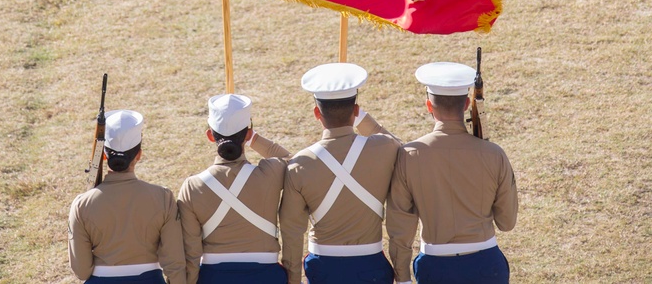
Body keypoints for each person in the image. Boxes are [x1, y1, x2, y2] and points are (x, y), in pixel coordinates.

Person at [387, 62, 518, 284]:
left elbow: (401, 226)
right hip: (486, 264)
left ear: (429, 105)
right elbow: (507, 222)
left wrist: (402, 277)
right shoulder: (494, 153)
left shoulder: (409, 155)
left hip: (435, 266)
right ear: (467, 104)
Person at [279, 62, 400, 284]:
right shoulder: (385, 148)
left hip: (323, 268)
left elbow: (292, 232)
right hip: (370, 265)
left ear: (317, 113)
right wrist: (360, 117)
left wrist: (293, 278)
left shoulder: (300, 164)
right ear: (356, 110)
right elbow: (397, 144)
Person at [177, 94, 290, 284]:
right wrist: (253, 139)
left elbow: (191, 250)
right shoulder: (271, 172)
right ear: (247, 133)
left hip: (213, 276)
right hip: (266, 275)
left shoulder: (192, 186)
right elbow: (292, 161)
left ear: (210, 135)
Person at [68, 109, 186, 284]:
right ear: (138, 155)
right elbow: (174, 263)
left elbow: (82, 270)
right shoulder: (163, 197)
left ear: (104, 156)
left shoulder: (81, 205)